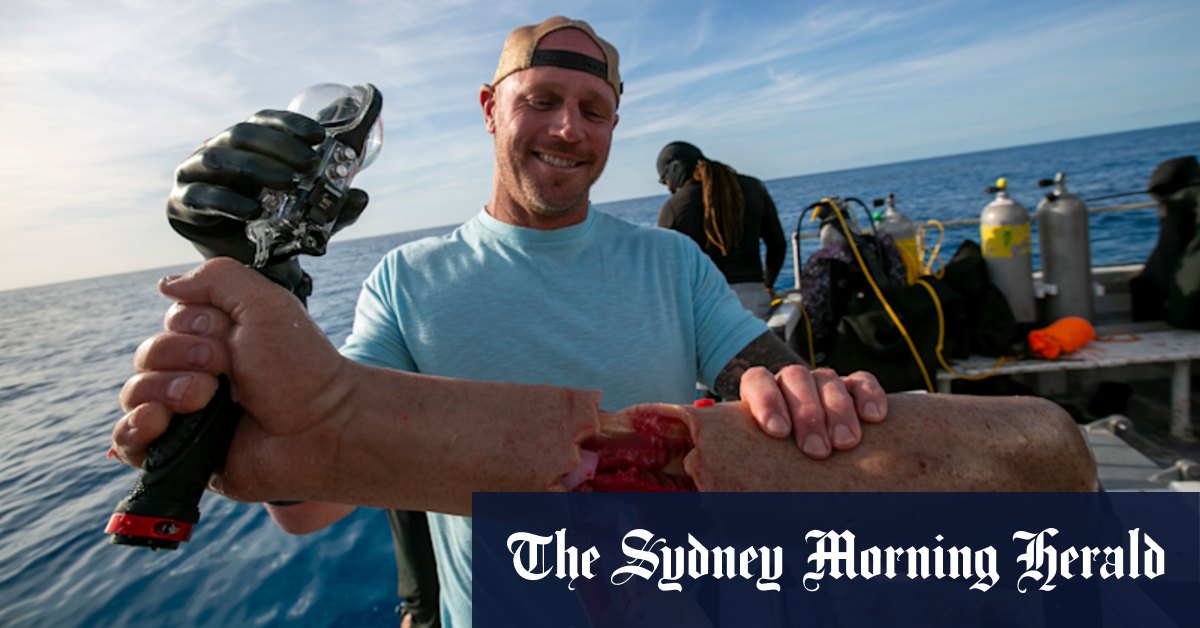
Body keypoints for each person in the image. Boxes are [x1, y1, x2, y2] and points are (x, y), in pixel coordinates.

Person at [109, 16, 1090, 628]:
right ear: (491, 107)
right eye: (542, 101)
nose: (569, 130)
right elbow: (307, 503)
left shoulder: (669, 259)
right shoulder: (407, 278)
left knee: (1043, 455)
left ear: (616, 124)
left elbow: (753, 353)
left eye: (593, 108)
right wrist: (256, 319)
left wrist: (783, 381)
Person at [657, 142, 786, 318]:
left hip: (707, 308)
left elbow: (663, 270)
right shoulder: (754, 187)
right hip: (756, 300)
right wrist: (769, 284)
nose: (667, 187)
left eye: (665, 180)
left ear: (675, 168)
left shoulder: (674, 207)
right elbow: (777, 245)